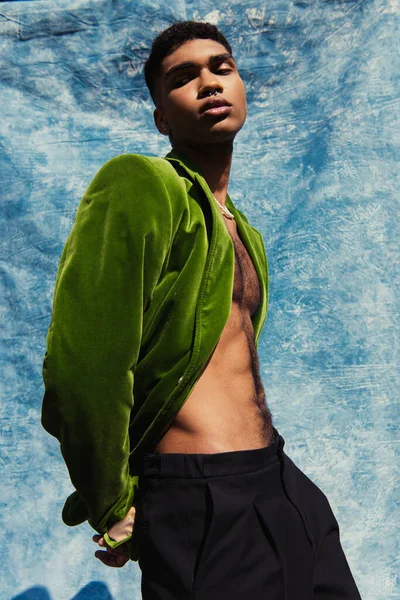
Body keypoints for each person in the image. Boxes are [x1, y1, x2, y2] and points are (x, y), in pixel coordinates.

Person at [41, 20, 362, 600]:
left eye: (222, 67)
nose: (209, 83)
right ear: (162, 117)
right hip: (202, 499)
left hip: (282, 481)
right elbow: (83, 368)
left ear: (242, 86)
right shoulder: (139, 183)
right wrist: (110, 502)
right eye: (183, 78)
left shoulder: (247, 234)